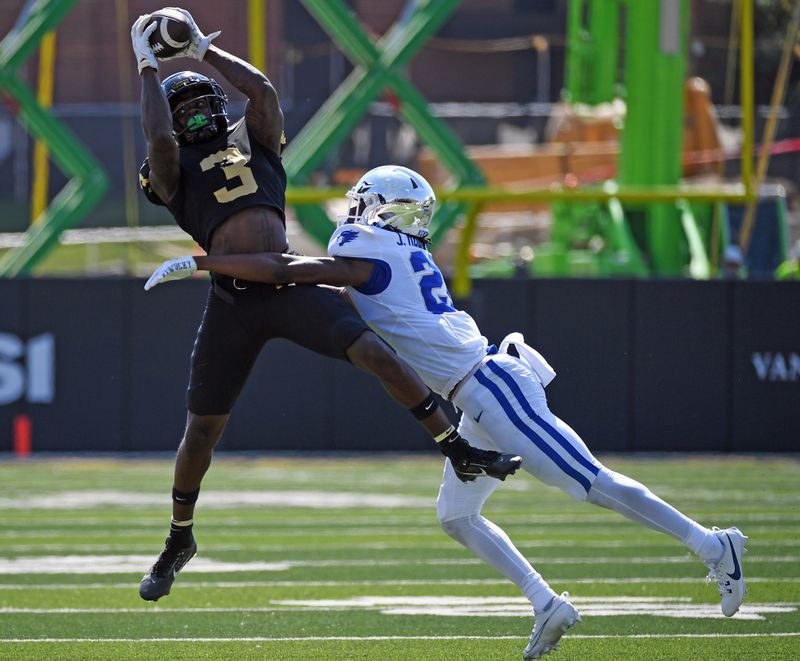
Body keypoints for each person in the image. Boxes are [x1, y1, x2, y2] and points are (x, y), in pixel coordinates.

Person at [147, 165, 749, 659]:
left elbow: (283, 270)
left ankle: (713, 545)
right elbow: (314, 283)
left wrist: (201, 261)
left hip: (491, 385)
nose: (353, 211)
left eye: (362, 202)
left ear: (376, 208)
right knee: (457, 518)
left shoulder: (369, 253)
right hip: (472, 395)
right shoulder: (385, 258)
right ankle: (547, 604)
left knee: (589, 483)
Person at [130, 12, 521, 603]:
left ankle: (457, 447)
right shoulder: (171, 171)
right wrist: (148, 69)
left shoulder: (253, 138)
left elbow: (260, 90)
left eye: (199, 101)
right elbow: (158, 140)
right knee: (202, 432)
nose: (193, 114)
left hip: (286, 285)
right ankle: (179, 536)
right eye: (180, 111)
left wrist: (205, 50)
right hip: (234, 301)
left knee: (374, 351)